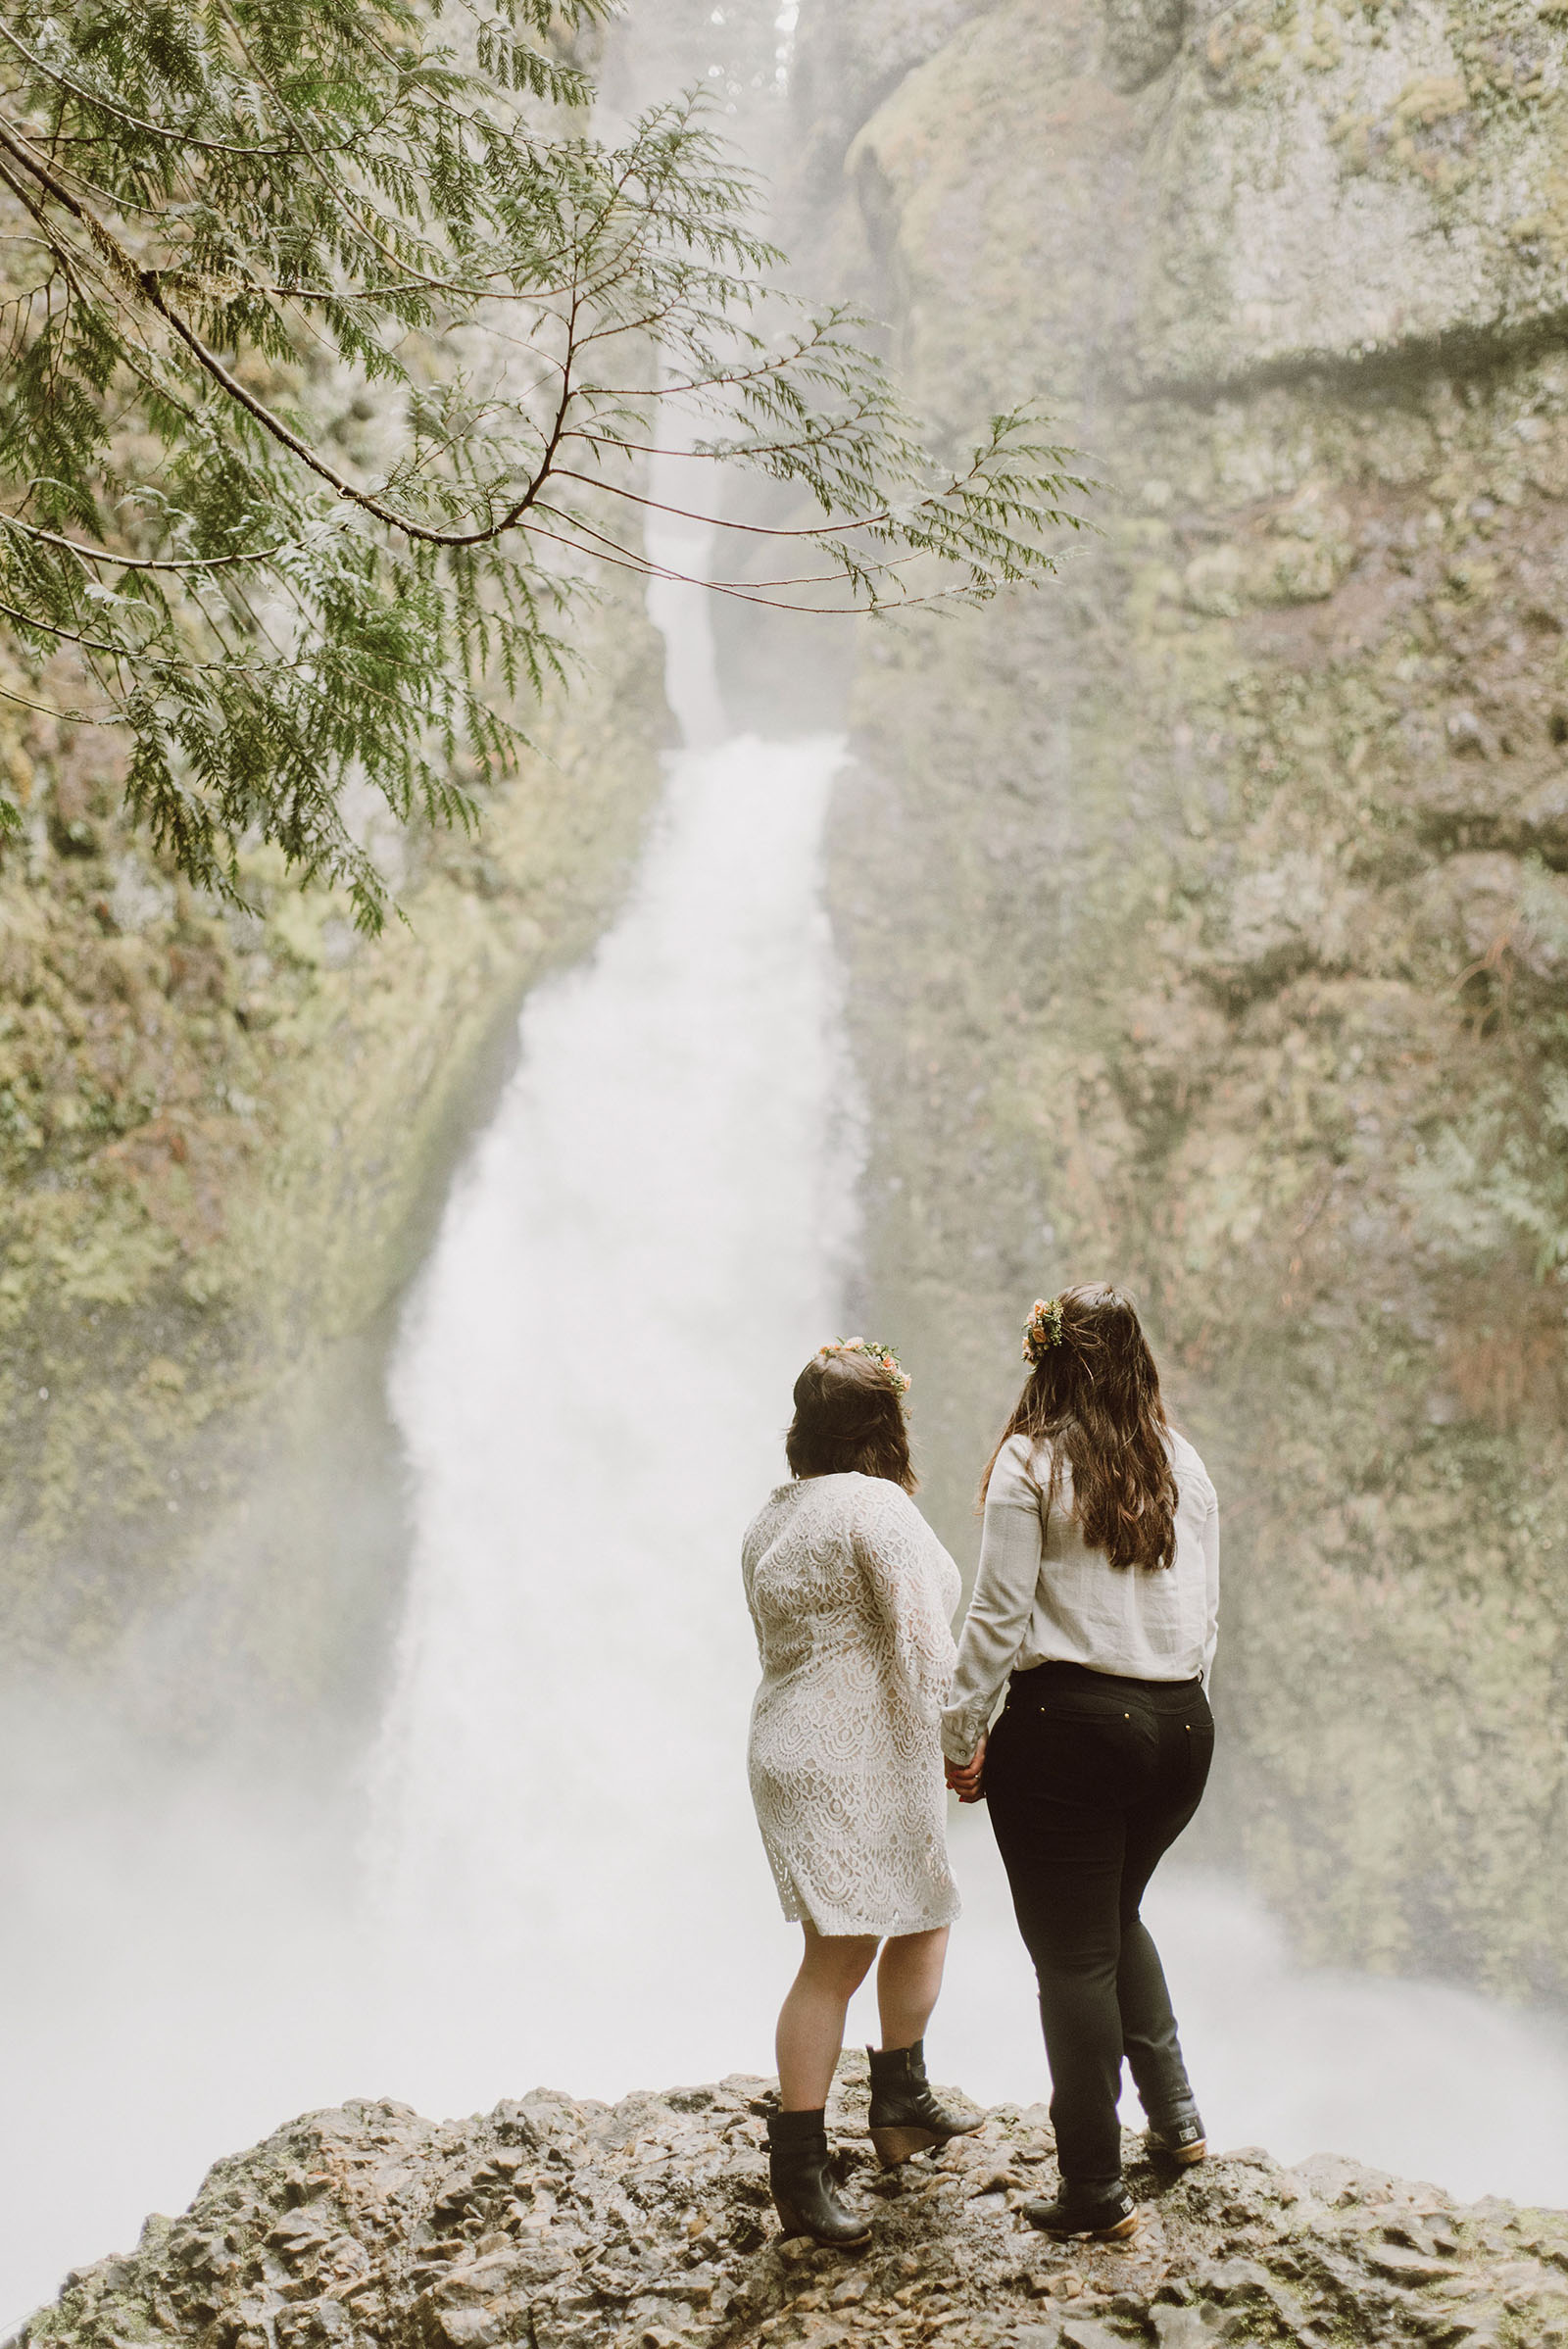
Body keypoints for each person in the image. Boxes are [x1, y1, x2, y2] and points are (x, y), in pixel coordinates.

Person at [943, 1285, 1219, 2243]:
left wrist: (958, 1733)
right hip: (1182, 1729)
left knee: (1072, 1959)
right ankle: (1175, 2119)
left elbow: (995, 1618)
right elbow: (1206, 1619)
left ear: (1048, 1358)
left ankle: (1094, 2188)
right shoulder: (1182, 1461)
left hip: (1068, 1728)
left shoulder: (1031, 1462)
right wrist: (1170, 1709)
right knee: (1111, 1917)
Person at [743, 1339, 980, 2247]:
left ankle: (900, 2101)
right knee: (837, 1956)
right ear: (886, 1427)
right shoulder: (879, 1508)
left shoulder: (774, 1514)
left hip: (791, 1744)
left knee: (923, 1907)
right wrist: (966, 1744)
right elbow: (925, 1645)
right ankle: (801, 2175)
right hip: (860, 1750)